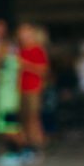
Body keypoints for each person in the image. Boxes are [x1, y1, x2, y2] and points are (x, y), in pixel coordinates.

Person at [16, 23, 50, 157]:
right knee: (23, 118)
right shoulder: (19, 50)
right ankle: (27, 144)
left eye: (26, 33)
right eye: (21, 33)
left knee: (33, 118)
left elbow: (43, 71)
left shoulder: (37, 50)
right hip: (20, 89)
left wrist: (25, 65)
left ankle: (37, 144)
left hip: (33, 89)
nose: (23, 36)